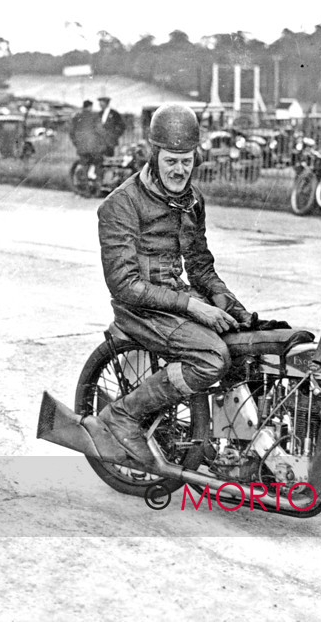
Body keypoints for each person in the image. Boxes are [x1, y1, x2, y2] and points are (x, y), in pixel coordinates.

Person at [82, 103, 254, 466]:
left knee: (247, 344)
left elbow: (200, 266)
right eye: (171, 161)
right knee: (210, 357)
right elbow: (124, 285)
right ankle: (124, 415)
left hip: (175, 301)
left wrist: (228, 302)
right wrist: (193, 306)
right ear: (154, 155)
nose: (179, 170)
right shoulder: (120, 205)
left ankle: (230, 448)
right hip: (139, 310)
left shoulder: (192, 200)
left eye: (186, 161)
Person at [69, 100, 106, 180]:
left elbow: (71, 132)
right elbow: (100, 130)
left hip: (81, 147)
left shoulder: (76, 117)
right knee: (98, 163)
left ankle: (85, 186)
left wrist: (76, 143)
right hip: (93, 146)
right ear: (90, 107)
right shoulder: (95, 116)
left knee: (85, 164)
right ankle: (97, 184)